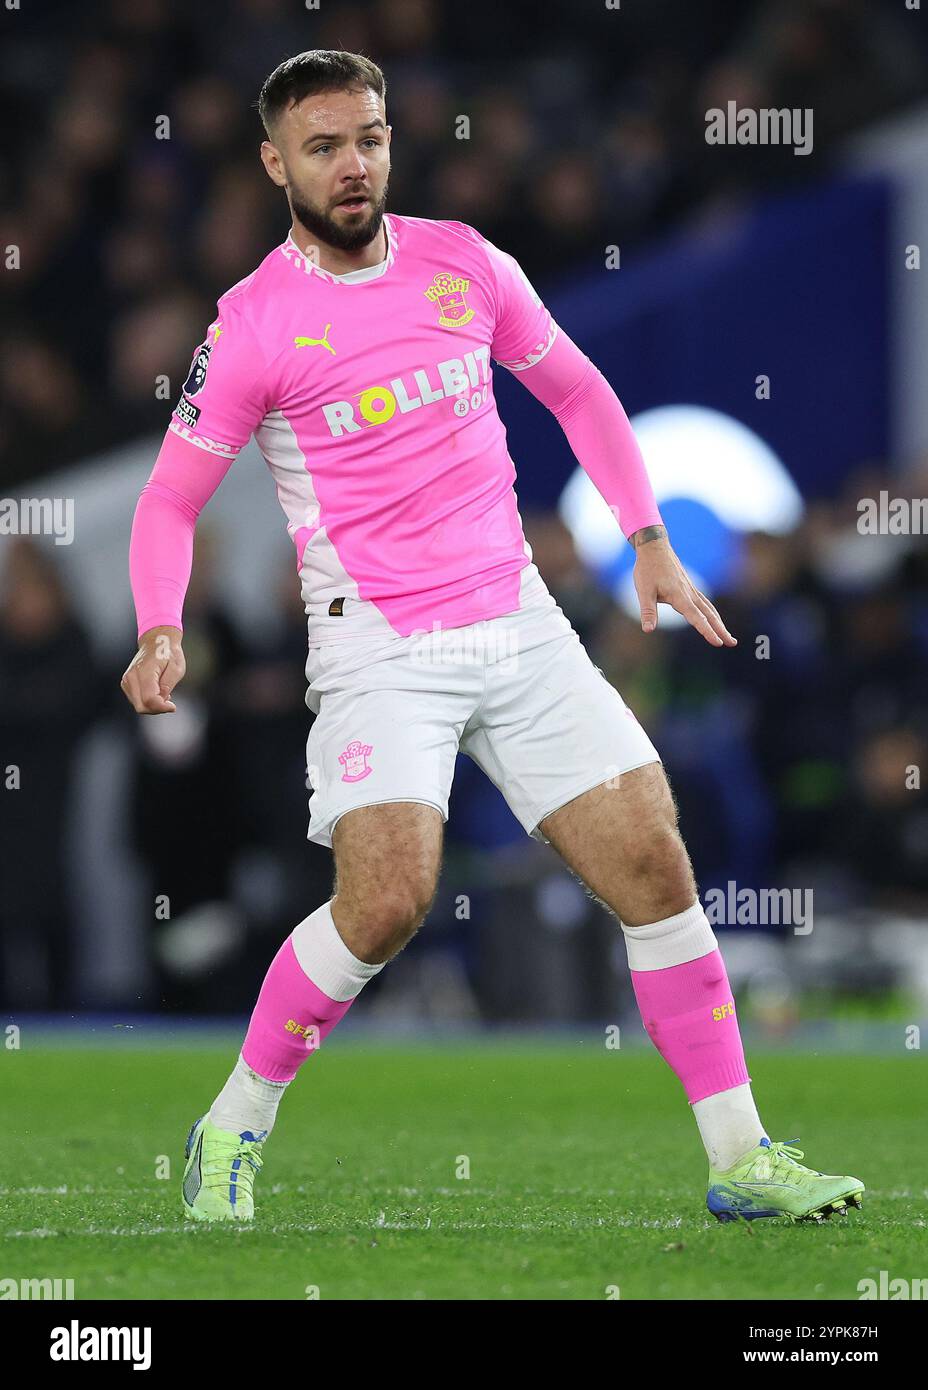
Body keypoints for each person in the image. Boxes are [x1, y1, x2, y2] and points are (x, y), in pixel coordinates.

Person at [121, 49, 863, 1226]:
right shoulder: (254, 325)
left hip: (516, 616)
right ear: (276, 164)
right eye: (323, 146)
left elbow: (576, 392)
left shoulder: (464, 262)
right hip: (378, 643)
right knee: (386, 903)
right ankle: (231, 1125)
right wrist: (161, 626)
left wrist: (647, 536)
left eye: (366, 136)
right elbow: (166, 500)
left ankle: (739, 1155)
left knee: (655, 868)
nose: (352, 162)